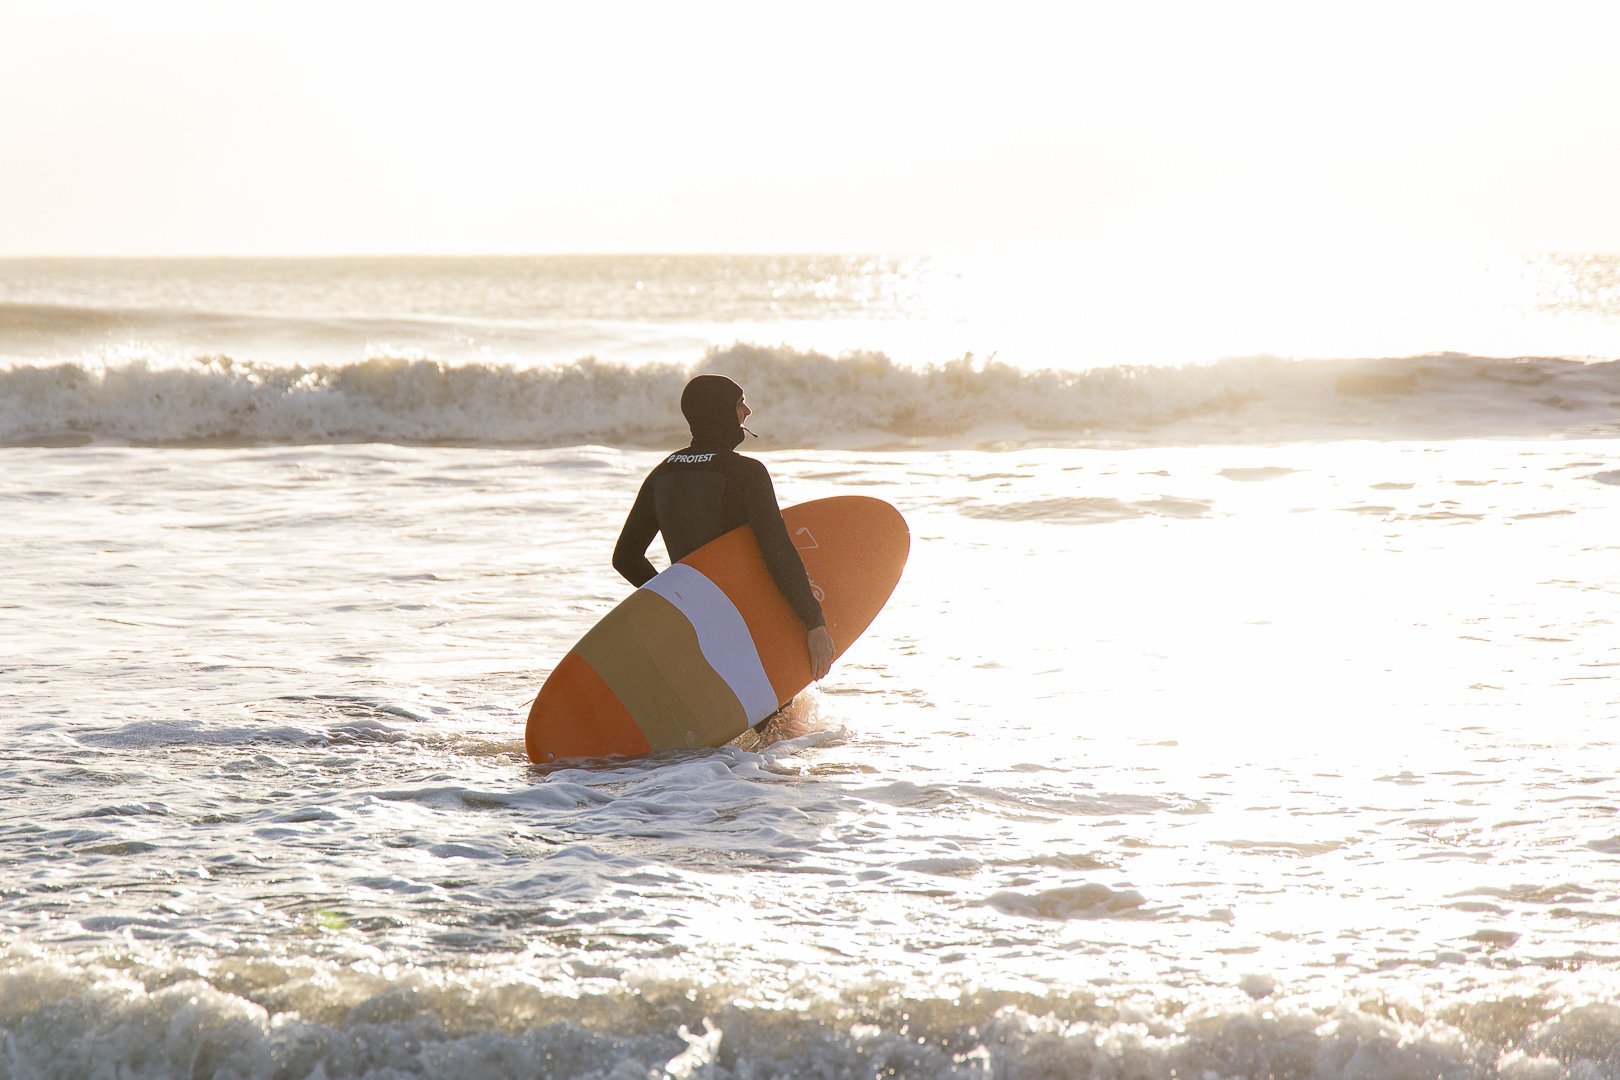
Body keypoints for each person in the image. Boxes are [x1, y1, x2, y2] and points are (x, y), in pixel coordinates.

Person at [613, 375, 835, 696]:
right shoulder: (746, 473)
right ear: (721, 411)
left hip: (701, 630)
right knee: (779, 735)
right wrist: (814, 622)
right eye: (739, 402)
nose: (747, 411)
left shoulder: (662, 473)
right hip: (750, 625)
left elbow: (626, 558)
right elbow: (778, 552)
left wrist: (676, 603)